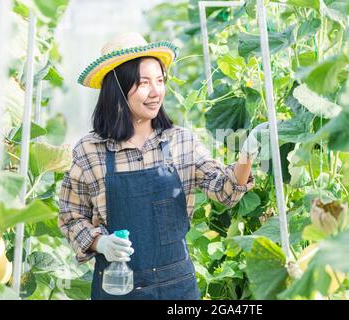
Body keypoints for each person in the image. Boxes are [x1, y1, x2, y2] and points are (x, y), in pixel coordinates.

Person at [58, 32, 265, 300]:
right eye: (144, 83)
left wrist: (247, 153)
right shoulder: (90, 151)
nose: (156, 92)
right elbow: (71, 217)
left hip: (177, 286)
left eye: (159, 80)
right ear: (117, 89)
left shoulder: (181, 141)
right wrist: (102, 243)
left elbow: (225, 191)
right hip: (119, 285)